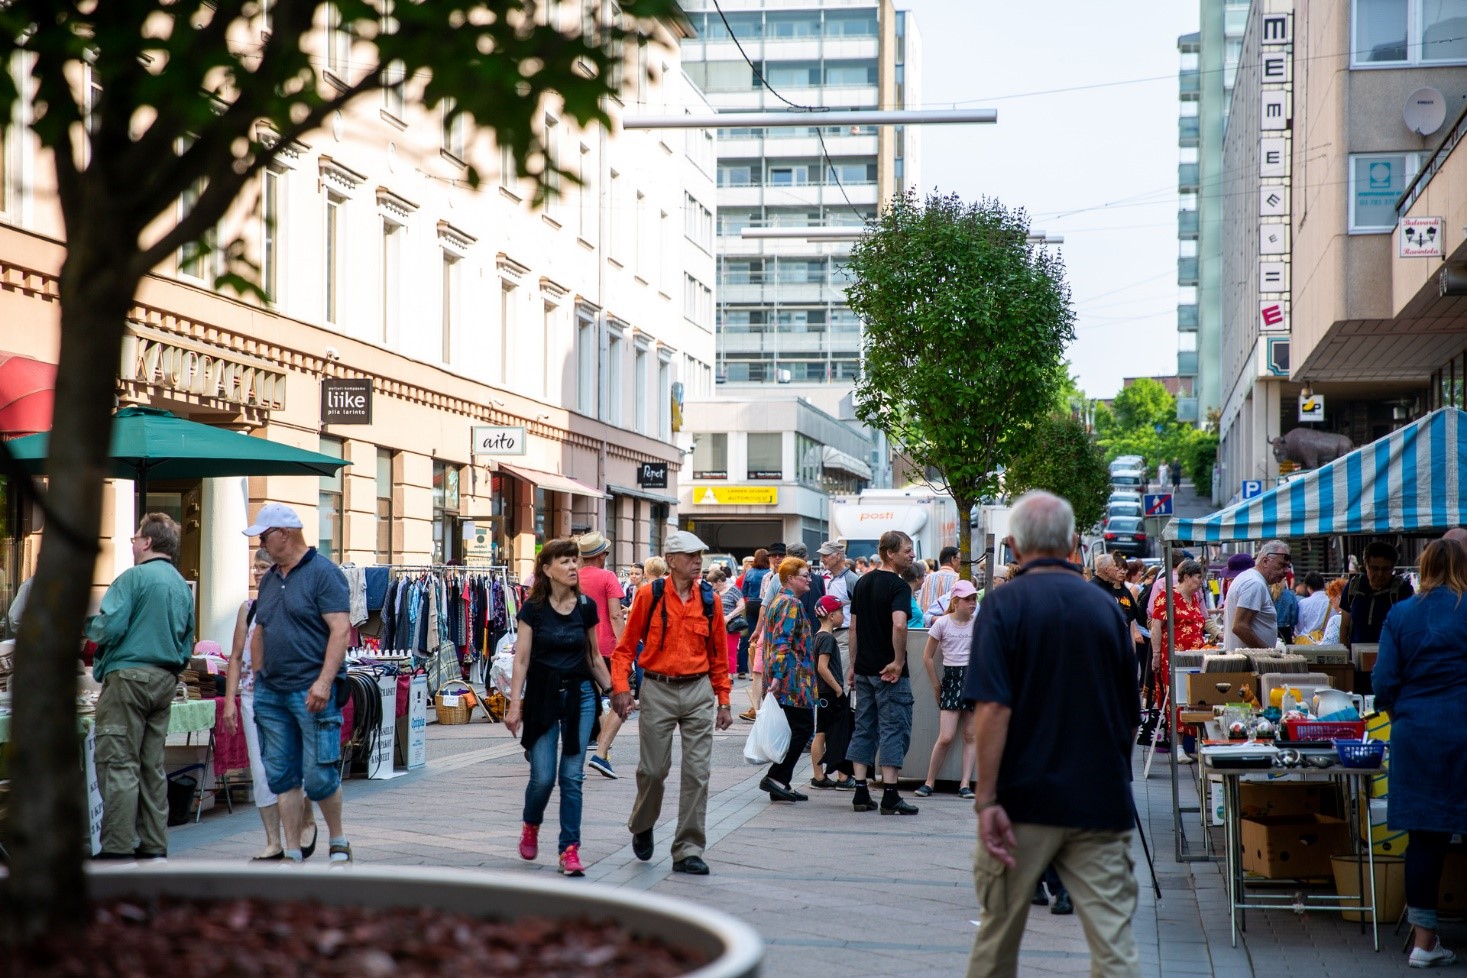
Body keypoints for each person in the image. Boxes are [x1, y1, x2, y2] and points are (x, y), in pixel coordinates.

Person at [963, 490, 1141, 978]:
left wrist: (986, 800)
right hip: (1100, 802)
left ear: (1014, 546)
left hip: (1021, 802)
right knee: (1114, 946)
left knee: (997, 940)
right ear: (1072, 544)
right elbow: (1131, 713)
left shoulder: (1001, 605)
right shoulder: (1107, 609)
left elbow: (993, 708)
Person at [611, 530, 732, 875]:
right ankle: (643, 822)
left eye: (700, 556)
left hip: (698, 691)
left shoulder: (710, 599)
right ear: (672, 560)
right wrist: (621, 688)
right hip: (658, 689)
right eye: (692, 556)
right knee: (653, 770)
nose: (698, 562)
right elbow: (625, 647)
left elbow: (719, 655)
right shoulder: (650, 594)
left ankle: (688, 849)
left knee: (697, 772)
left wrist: (724, 699)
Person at [1374, 539, 1467, 969]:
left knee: (1424, 839)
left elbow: (1383, 682)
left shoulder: (1401, 613)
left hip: (1416, 733)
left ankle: (1424, 942)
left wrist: (1402, 714)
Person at [244, 502, 353, 865]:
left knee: (319, 775)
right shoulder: (272, 577)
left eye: (263, 535)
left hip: (311, 691)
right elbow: (259, 630)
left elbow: (341, 630)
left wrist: (324, 682)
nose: (260, 542)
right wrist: (260, 680)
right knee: (281, 775)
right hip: (272, 692)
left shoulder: (324, 573)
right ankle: (292, 849)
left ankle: (338, 839)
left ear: (284, 534)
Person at [86, 513, 196, 860]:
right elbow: (187, 642)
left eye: (135, 537)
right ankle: (153, 844)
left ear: (147, 542)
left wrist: (87, 625)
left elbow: (109, 629)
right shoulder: (181, 584)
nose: (133, 542)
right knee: (151, 766)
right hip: (164, 680)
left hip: (129, 678)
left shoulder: (133, 578)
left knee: (119, 762)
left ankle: (118, 847)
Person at [504, 539, 612, 877]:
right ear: (547, 569)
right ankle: (531, 824)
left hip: (580, 695)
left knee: (572, 777)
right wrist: (514, 704)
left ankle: (569, 849)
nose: (573, 567)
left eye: (575, 561)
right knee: (543, 777)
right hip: (541, 698)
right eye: (565, 561)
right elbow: (521, 659)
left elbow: (594, 656)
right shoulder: (533, 609)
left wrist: (614, 691)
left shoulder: (586, 607)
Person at [222, 548, 318, 861]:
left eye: (265, 567)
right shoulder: (247, 609)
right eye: (255, 567)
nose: (258, 572)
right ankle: (273, 841)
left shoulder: (293, 603)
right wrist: (229, 702)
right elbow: (235, 657)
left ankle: (305, 819)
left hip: (287, 695)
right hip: (252, 697)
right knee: (261, 769)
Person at [845, 529, 919, 816]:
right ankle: (890, 795)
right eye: (907, 550)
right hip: (890, 673)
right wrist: (898, 661)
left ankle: (861, 792)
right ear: (891, 553)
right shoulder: (899, 587)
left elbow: (853, 628)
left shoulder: (862, 583)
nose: (912, 554)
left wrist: (853, 664)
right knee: (893, 729)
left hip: (864, 669)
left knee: (864, 727)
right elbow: (899, 625)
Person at [755, 557, 818, 803]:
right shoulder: (789, 603)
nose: (809, 579)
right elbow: (782, 641)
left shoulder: (778, 601)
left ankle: (781, 782)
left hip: (789, 678)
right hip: (793, 680)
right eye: (805, 575)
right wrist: (778, 676)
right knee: (802, 729)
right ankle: (776, 777)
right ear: (790, 578)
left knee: (794, 729)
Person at [915, 579, 979, 799]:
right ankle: (929, 781)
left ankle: (965, 783)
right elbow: (927, 656)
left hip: (972, 678)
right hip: (951, 678)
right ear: (956, 600)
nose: (972, 603)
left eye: (974, 599)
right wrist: (936, 685)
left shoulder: (979, 623)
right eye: (968, 599)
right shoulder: (942, 623)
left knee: (970, 734)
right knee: (946, 736)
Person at [577, 531, 626, 780]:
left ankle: (577, 760)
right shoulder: (607, 577)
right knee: (621, 701)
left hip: (577, 647)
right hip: (606, 648)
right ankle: (602, 753)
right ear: (600, 555)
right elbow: (616, 615)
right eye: (605, 552)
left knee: (590, 702)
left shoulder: (571, 576)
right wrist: (625, 644)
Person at [1148, 559, 1209, 759]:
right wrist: (1156, 655)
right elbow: (1156, 627)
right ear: (1186, 577)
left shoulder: (1196, 597)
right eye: (1198, 577)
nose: (1201, 581)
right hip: (1172, 657)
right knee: (1175, 699)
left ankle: (1197, 743)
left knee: (1194, 699)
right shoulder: (1168, 596)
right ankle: (1179, 747)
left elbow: (1202, 623)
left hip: (1195, 658)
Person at [808, 595, 853, 790]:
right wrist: (838, 690)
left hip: (822, 694)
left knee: (821, 732)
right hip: (831, 694)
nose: (843, 616)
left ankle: (819, 776)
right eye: (841, 612)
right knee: (839, 734)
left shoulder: (817, 636)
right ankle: (843, 776)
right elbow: (822, 667)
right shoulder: (828, 639)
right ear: (832, 615)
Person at [1340, 541, 1414, 649]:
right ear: (1366, 565)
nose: (1380, 574)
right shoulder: (1353, 587)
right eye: (1374, 568)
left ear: (1393, 567)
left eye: (1385, 569)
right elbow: (1344, 628)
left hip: (1391, 659)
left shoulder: (1403, 590)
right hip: (1357, 659)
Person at [1223, 541, 1291, 650]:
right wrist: (1269, 653)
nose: (1286, 571)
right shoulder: (1254, 583)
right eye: (1281, 565)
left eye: (1287, 566)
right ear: (1265, 561)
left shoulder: (1252, 579)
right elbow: (1239, 627)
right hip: (1249, 663)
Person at [737, 548, 772, 682]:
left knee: (751, 637)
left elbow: (744, 591)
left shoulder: (750, 572)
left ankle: (751, 671)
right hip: (765, 604)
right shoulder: (770, 573)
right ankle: (764, 667)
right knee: (765, 636)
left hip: (751, 604)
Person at [710, 566, 745, 678]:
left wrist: (729, 616)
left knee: (730, 650)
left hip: (730, 625)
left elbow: (742, 605)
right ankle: (721, 672)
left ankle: (729, 675)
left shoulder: (733, 589)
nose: (712, 585)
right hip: (717, 625)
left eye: (713, 583)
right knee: (718, 650)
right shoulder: (715, 591)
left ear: (719, 581)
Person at [918, 546, 961, 617]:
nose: (961, 563)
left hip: (929, 625)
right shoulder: (958, 578)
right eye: (960, 559)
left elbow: (920, 605)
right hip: (950, 624)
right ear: (953, 559)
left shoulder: (928, 578)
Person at [1295, 572, 1330, 636]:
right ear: (1324, 585)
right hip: (1327, 640)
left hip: (1306, 641)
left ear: (1309, 588)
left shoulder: (1302, 603)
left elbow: (1299, 629)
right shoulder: (1332, 602)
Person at [1320, 577, 1349, 644]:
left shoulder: (1336, 620)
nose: (1330, 600)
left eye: (1332, 596)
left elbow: (1328, 646)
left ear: (1339, 596)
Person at [1271, 578, 1299, 643]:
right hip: (1285, 631)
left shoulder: (1267, 593)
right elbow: (1294, 616)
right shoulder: (1290, 595)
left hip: (1269, 629)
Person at [901, 561, 926, 628]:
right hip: (910, 637)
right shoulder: (905, 598)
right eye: (923, 576)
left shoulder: (908, 596)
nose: (924, 580)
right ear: (917, 578)